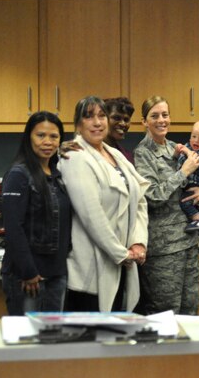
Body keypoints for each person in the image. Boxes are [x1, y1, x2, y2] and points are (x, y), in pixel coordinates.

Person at [59, 96, 149, 312]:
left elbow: (139, 200)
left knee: (117, 338)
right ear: (78, 125)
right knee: (92, 341)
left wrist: (138, 242)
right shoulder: (74, 156)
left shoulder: (115, 154)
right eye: (88, 117)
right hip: (93, 269)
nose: (97, 122)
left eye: (101, 116)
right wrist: (120, 253)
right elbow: (91, 216)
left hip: (124, 263)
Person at [134, 96, 199, 315]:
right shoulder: (143, 153)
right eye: (154, 116)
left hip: (187, 241)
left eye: (165, 115)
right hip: (163, 249)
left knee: (190, 311)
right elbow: (153, 196)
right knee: (165, 313)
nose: (161, 120)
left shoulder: (176, 149)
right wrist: (183, 172)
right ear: (144, 122)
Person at [0, 112, 71, 315]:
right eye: (40, 135)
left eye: (54, 137)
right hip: (28, 277)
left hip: (57, 273)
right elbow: (13, 229)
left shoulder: (57, 174)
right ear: (29, 137)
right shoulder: (18, 174)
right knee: (28, 342)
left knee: (51, 341)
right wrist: (28, 272)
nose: (47, 142)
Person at [104, 97, 136, 164]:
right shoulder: (89, 152)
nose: (123, 124)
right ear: (103, 119)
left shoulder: (127, 156)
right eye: (117, 118)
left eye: (126, 120)